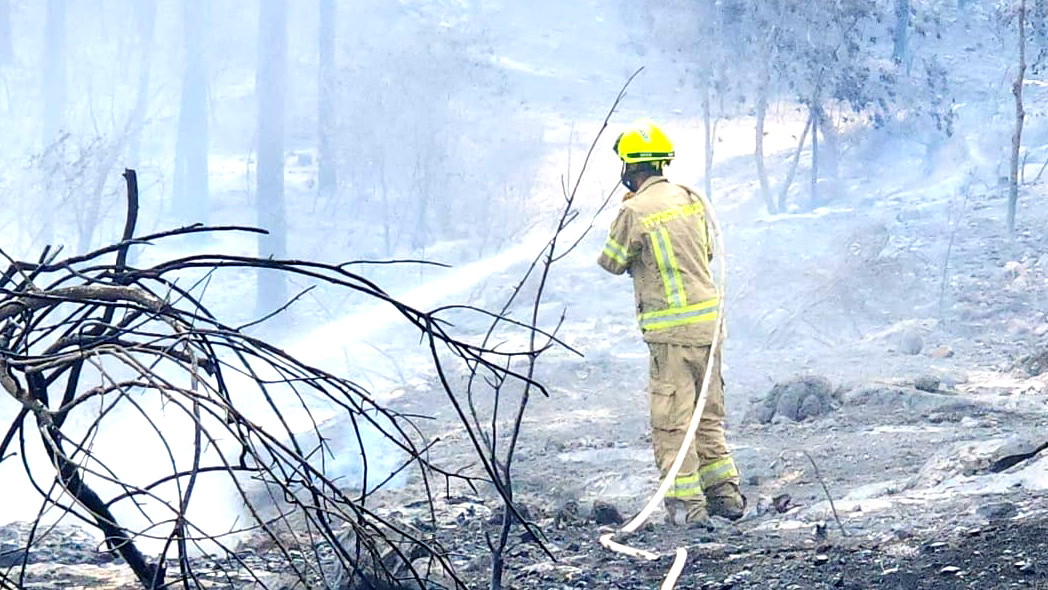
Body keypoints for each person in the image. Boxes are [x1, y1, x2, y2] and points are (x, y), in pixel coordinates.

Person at [597, 119, 745, 527]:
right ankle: (725, 496)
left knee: (672, 420)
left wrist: (626, 215)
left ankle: (685, 510)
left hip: (671, 335)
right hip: (709, 328)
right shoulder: (690, 199)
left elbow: (611, 262)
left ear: (629, 168)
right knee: (707, 414)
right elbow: (707, 253)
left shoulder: (634, 210)